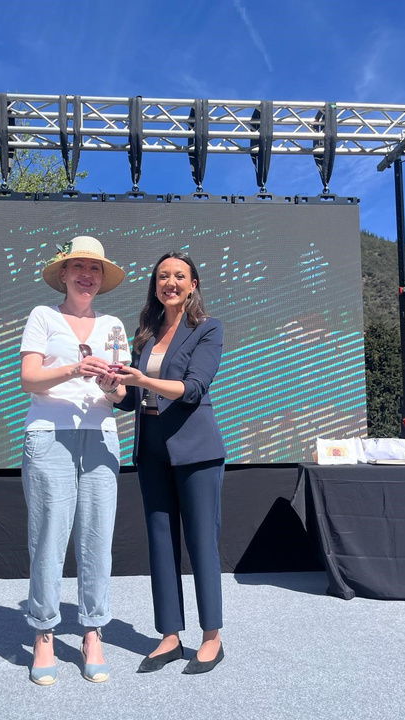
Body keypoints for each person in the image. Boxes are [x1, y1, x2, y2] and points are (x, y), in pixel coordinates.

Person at [105, 251, 226, 675]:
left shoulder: (207, 329)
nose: (169, 283)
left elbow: (192, 390)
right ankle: (170, 636)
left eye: (178, 276)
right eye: (162, 277)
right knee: (160, 542)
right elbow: (135, 400)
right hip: (151, 446)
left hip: (196, 451)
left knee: (200, 542)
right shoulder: (145, 334)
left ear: (193, 284)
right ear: (154, 285)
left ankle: (212, 637)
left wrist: (141, 379)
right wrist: (117, 388)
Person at [19, 235, 130, 685]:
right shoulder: (43, 316)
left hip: (101, 436)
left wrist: (110, 386)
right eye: (79, 267)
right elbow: (29, 378)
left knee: (97, 540)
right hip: (49, 435)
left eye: (95, 268)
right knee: (48, 538)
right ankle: (43, 634)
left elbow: (122, 392)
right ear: (62, 274)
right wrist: (73, 369)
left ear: (101, 280)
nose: (87, 274)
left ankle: (92, 632)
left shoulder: (115, 325)